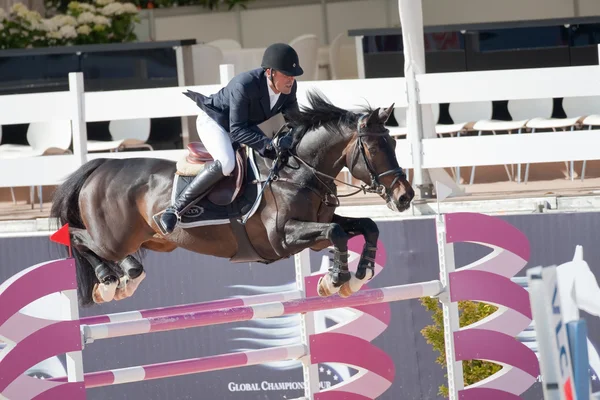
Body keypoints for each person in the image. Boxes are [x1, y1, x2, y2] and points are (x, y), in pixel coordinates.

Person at [158, 42, 304, 235]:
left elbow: (296, 123)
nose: (291, 80)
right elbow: (237, 131)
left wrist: (293, 139)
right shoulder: (245, 85)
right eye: (286, 74)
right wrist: (270, 144)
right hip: (215, 121)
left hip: (242, 125)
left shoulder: (289, 89)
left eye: (293, 75)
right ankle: (175, 209)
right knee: (227, 163)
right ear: (269, 72)